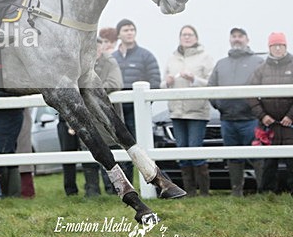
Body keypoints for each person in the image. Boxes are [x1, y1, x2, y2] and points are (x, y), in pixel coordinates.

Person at [208, 27, 264, 196]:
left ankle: (263, 191)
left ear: (247, 40)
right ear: (230, 39)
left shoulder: (258, 62)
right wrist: (220, 105)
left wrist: (257, 110)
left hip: (251, 119)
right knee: (233, 157)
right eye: (234, 36)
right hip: (228, 119)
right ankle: (236, 191)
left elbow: (264, 87)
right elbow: (211, 87)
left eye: (240, 36)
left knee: (257, 156)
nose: (237, 39)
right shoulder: (221, 64)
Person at [161, 25, 214, 197]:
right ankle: (189, 192)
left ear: (196, 38)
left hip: (197, 111)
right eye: (184, 34)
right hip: (177, 111)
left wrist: (194, 79)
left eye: (190, 34)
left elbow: (211, 83)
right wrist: (167, 82)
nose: (187, 37)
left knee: (195, 149)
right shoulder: (172, 58)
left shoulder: (205, 57)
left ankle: (204, 192)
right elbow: (162, 85)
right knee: (182, 151)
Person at [112, 19, 161, 183]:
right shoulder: (112, 58)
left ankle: (150, 182)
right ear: (119, 34)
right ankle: (127, 184)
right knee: (121, 146)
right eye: (126, 30)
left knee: (140, 146)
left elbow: (155, 80)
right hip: (117, 110)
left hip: (136, 110)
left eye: (132, 29)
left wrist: (144, 105)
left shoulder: (146, 56)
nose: (130, 33)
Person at [248, 32, 293, 194]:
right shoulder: (261, 70)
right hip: (269, 126)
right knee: (269, 162)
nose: (278, 48)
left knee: (292, 161)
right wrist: (263, 116)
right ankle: (267, 194)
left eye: (281, 45)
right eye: (274, 45)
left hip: (290, 126)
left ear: (285, 46)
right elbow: (250, 95)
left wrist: (290, 116)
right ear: (270, 48)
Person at [81, 34, 124, 197]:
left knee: (111, 151)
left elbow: (115, 83)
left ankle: (115, 189)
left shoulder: (110, 62)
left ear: (101, 47)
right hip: (86, 116)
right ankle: (92, 191)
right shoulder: (81, 63)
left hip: (105, 116)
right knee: (88, 152)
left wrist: (90, 91)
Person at [0, 90, 25, 197]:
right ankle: (12, 194)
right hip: (0, 116)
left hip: (10, 115)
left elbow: (17, 91)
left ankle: (9, 193)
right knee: (7, 153)